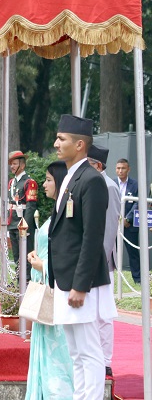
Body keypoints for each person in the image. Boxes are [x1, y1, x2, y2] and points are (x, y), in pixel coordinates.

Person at [48, 114, 116, 400]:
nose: (55, 144)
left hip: (79, 282)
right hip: (66, 278)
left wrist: (80, 285)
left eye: (61, 139)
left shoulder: (92, 180)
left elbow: (92, 237)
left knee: (89, 351)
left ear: (79, 145)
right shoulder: (71, 177)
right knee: (76, 352)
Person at [25, 160, 74, 400]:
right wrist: (36, 256)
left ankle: (59, 393)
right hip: (45, 283)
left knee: (58, 346)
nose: (43, 185)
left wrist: (42, 265)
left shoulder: (67, 212)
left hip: (56, 287)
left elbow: (67, 255)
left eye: (48, 180)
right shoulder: (56, 210)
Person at [87, 145, 121, 377]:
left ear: (98, 166)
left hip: (101, 263)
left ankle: (106, 359)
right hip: (88, 262)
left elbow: (109, 229)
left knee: (103, 314)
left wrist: (97, 262)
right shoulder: (89, 184)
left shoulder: (108, 187)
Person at [7, 150, 38, 281]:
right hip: (12, 223)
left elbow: (31, 207)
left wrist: (25, 226)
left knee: (26, 254)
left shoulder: (29, 182)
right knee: (16, 255)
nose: (12, 166)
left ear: (22, 165)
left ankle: (27, 280)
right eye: (11, 164)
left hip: (24, 225)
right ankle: (19, 278)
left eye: (15, 164)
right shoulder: (11, 182)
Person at [115, 158, 140, 284]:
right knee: (111, 252)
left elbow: (137, 203)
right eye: (118, 168)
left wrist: (127, 219)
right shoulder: (111, 183)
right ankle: (110, 277)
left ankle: (137, 279)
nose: (120, 171)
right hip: (113, 224)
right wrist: (117, 219)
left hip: (129, 225)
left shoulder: (136, 184)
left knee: (133, 253)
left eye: (123, 168)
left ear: (128, 169)